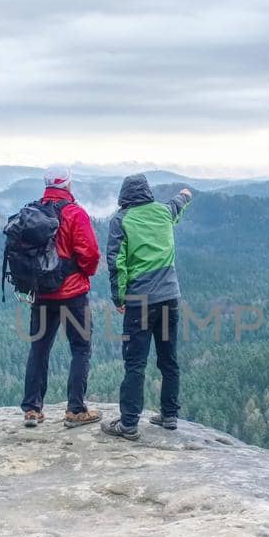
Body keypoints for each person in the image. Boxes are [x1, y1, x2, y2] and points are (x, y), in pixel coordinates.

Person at [102, 174, 193, 440]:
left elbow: (116, 262)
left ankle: (129, 423)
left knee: (135, 362)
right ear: (147, 192)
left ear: (124, 197)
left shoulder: (121, 221)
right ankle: (169, 414)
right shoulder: (164, 212)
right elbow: (181, 200)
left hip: (139, 301)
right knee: (169, 358)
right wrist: (186, 193)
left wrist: (119, 299)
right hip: (169, 297)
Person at [21, 168, 101, 429]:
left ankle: (32, 410)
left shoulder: (34, 212)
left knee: (39, 348)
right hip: (73, 294)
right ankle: (75, 409)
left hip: (42, 293)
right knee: (80, 347)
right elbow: (90, 253)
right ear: (68, 184)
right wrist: (82, 274)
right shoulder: (74, 213)